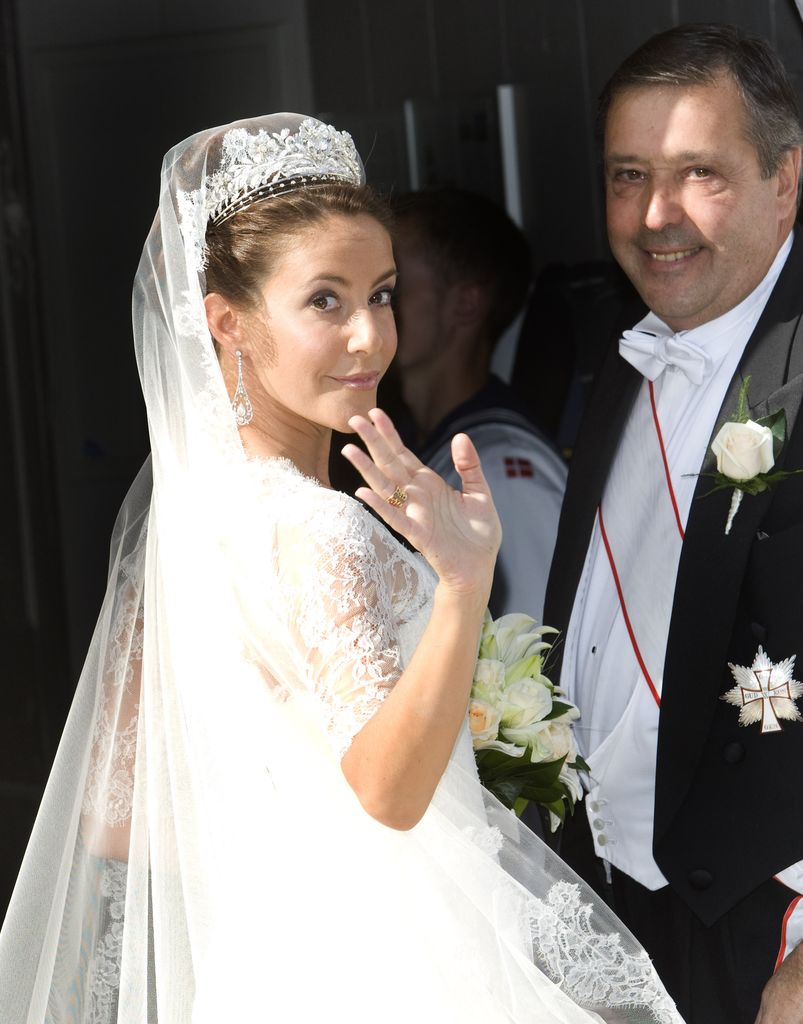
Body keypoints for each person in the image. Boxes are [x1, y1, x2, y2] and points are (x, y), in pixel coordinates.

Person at [0, 113, 681, 1023]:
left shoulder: (196, 520)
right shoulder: (320, 530)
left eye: (385, 294)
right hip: (392, 972)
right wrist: (462, 583)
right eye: (325, 300)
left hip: (265, 967)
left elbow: (116, 820)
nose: (370, 337)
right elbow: (389, 795)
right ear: (226, 323)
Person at [544, 23, 803, 1024]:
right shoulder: (625, 357)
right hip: (604, 907)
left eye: (699, 173)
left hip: (757, 926)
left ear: (787, 179)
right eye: (625, 175)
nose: (654, 215)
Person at [392, 187, 567, 620]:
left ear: (466, 305)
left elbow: (538, 660)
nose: (368, 312)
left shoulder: (505, 473)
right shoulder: (419, 440)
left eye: (390, 289)